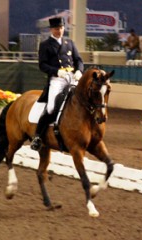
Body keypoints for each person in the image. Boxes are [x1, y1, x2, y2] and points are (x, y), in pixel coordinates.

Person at [30, 17, 84, 151]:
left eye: (60, 28)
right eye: (56, 29)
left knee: (84, 101)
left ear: (63, 28)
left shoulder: (70, 42)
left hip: (72, 77)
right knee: (51, 108)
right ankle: (38, 136)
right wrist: (57, 72)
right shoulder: (45, 45)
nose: (59, 31)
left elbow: (78, 60)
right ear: (51, 30)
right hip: (57, 79)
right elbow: (42, 65)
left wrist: (79, 72)